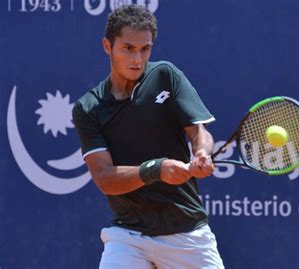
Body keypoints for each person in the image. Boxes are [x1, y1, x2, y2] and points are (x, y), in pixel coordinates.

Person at [72, 4, 224, 269]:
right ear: (108, 46)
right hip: (128, 236)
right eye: (128, 48)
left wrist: (201, 152)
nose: (137, 59)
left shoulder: (165, 76)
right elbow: (105, 178)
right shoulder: (88, 109)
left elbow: (198, 132)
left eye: (145, 49)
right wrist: (155, 170)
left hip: (186, 231)